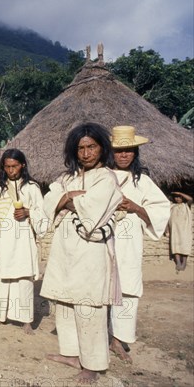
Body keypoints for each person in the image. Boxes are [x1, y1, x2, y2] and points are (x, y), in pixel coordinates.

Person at [41, 122, 123, 382]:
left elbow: (93, 210)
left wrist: (66, 200)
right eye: (81, 148)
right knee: (65, 303)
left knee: (89, 307)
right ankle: (72, 354)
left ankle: (93, 364)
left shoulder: (107, 178)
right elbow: (49, 201)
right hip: (65, 250)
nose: (86, 153)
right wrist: (68, 197)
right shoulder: (67, 178)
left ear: (102, 148)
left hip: (91, 251)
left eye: (92, 147)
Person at [109, 126, 170, 363]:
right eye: (119, 151)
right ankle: (98, 336)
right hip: (104, 240)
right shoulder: (103, 175)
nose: (124, 155)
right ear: (111, 153)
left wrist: (135, 207)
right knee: (102, 286)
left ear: (135, 153)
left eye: (128, 151)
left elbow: (160, 211)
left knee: (128, 290)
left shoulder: (142, 182)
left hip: (129, 244)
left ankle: (118, 340)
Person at [0, 149, 46, 335]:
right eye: (8, 166)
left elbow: (42, 213)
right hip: (1, 239)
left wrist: (28, 212)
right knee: (2, 278)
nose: (11, 170)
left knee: (24, 278)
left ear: (22, 165)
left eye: (15, 166)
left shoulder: (32, 188)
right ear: (3, 167)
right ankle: (1, 315)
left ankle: (26, 320)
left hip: (24, 240)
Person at [167, 191, 193, 271]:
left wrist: (180, 193)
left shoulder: (186, 205)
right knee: (175, 246)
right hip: (175, 230)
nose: (177, 198)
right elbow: (167, 219)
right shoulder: (172, 206)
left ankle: (184, 262)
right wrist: (167, 229)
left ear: (182, 198)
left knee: (185, 245)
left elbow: (191, 199)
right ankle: (178, 262)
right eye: (176, 197)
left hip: (184, 230)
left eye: (179, 197)